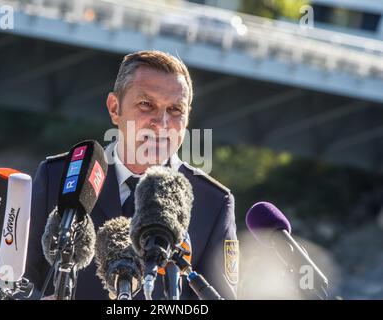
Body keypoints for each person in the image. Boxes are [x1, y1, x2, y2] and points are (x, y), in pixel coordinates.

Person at [25, 50, 239, 300]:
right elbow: (15, 281)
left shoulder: (212, 202)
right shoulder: (60, 177)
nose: (161, 123)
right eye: (146, 105)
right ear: (115, 108)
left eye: (175, 110)